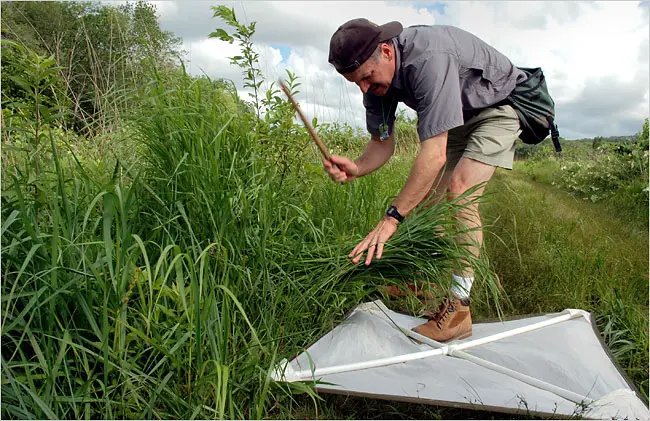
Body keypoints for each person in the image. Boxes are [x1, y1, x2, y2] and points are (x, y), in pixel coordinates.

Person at [324, 18, 526, 342]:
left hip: (497, 108)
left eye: (366, 78)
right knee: (427, 203)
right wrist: (357, 167)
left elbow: (434, 155)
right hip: (459, 118)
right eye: (355, 83)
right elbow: (381, 143)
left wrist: (390, 219)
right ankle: (429, 281)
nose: (364, 89)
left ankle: (459, 308)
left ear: (386, 52)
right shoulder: (376, 84)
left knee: (460, 192)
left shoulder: (428, 57)